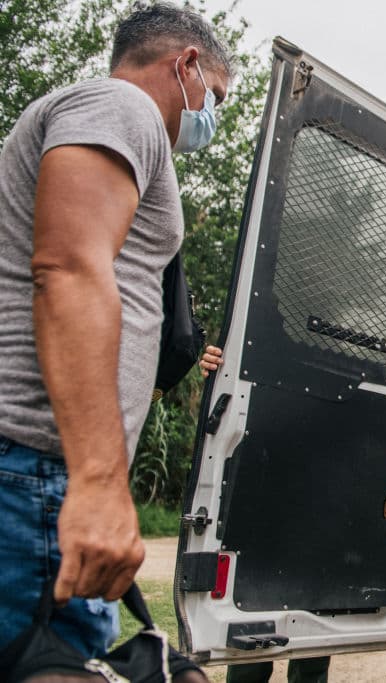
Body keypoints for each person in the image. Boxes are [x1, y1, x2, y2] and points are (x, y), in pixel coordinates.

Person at [0, 2, 232, 656]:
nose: (210, 115)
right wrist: (99, 483)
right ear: (185, 65)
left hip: (38, 472)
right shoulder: (123, 108)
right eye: (213, 95)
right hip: (38, 469)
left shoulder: (110, 123)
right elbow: (69, 266)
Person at [198, 346, 333, 683]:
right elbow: (229, 400)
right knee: (251, 639)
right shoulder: (258, 341)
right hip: (262, 505)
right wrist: (217, 370)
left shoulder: (336, 362)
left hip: (315, 513)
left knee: (313, 642)